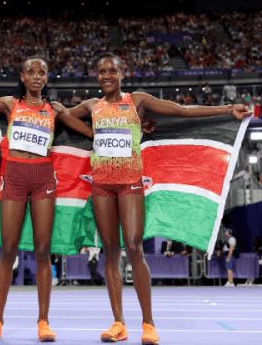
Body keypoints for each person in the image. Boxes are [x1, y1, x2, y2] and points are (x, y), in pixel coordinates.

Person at [59, 53, 251, 344]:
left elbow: (181, 111)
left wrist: (226, 109)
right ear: (96, 76)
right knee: (111, 252)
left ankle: (149, 324)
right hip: (101, 185)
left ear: (122, 73)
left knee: (134, 247)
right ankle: (118, 324)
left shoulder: (136, 100)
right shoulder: (91, 106)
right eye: (101, 71)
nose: (106, 75)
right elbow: (60, 117)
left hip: (129, 184)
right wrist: (38, 106)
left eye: (112, 70)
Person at [0, 56, 87, 342]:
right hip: (14, 177)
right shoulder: (8, 104)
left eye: (42, 72)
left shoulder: (55, 109)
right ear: (23, 77)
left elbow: (88, 131)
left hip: (43, 180)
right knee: (8, 249)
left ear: (47, 78)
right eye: (31, 71)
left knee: (42, 251)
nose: (37, 76)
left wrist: (128, 132)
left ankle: (43, 321)